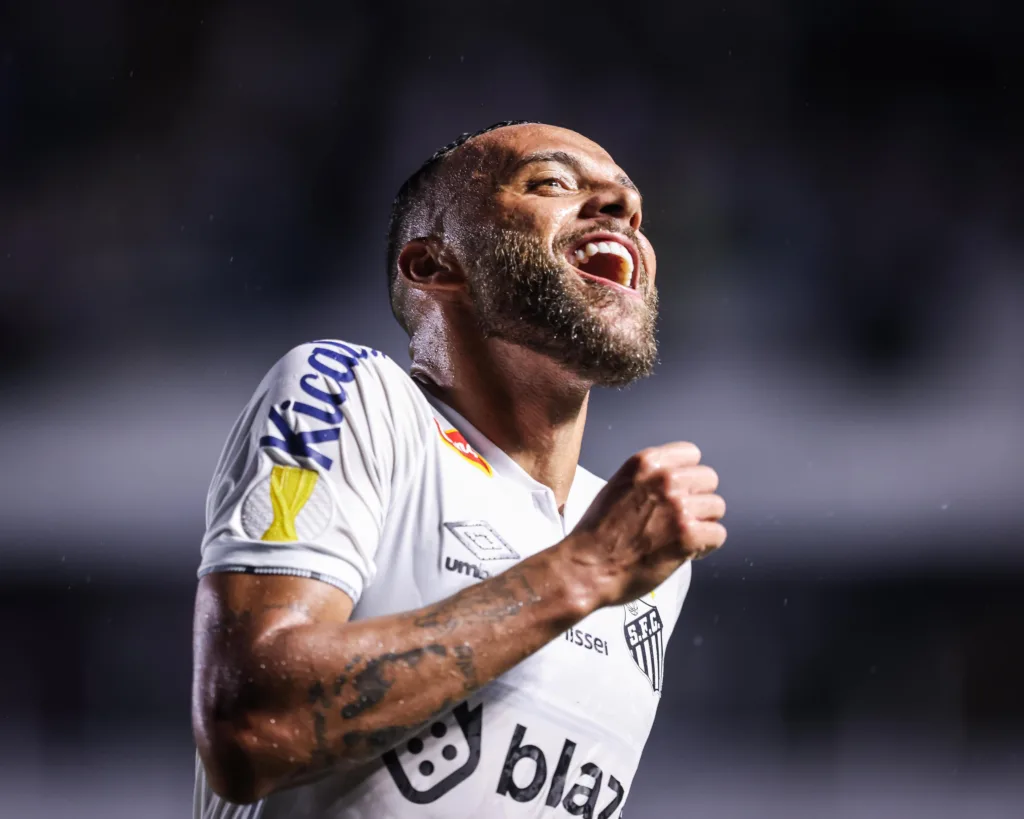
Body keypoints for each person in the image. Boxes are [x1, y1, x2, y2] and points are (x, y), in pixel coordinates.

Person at [191, 120, 727, 819]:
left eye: (633, 206)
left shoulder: (642, 551)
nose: (622, 210)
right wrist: (582, 571)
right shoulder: (352, 394)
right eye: (553, 183)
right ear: (434, 265)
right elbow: (251, 727)